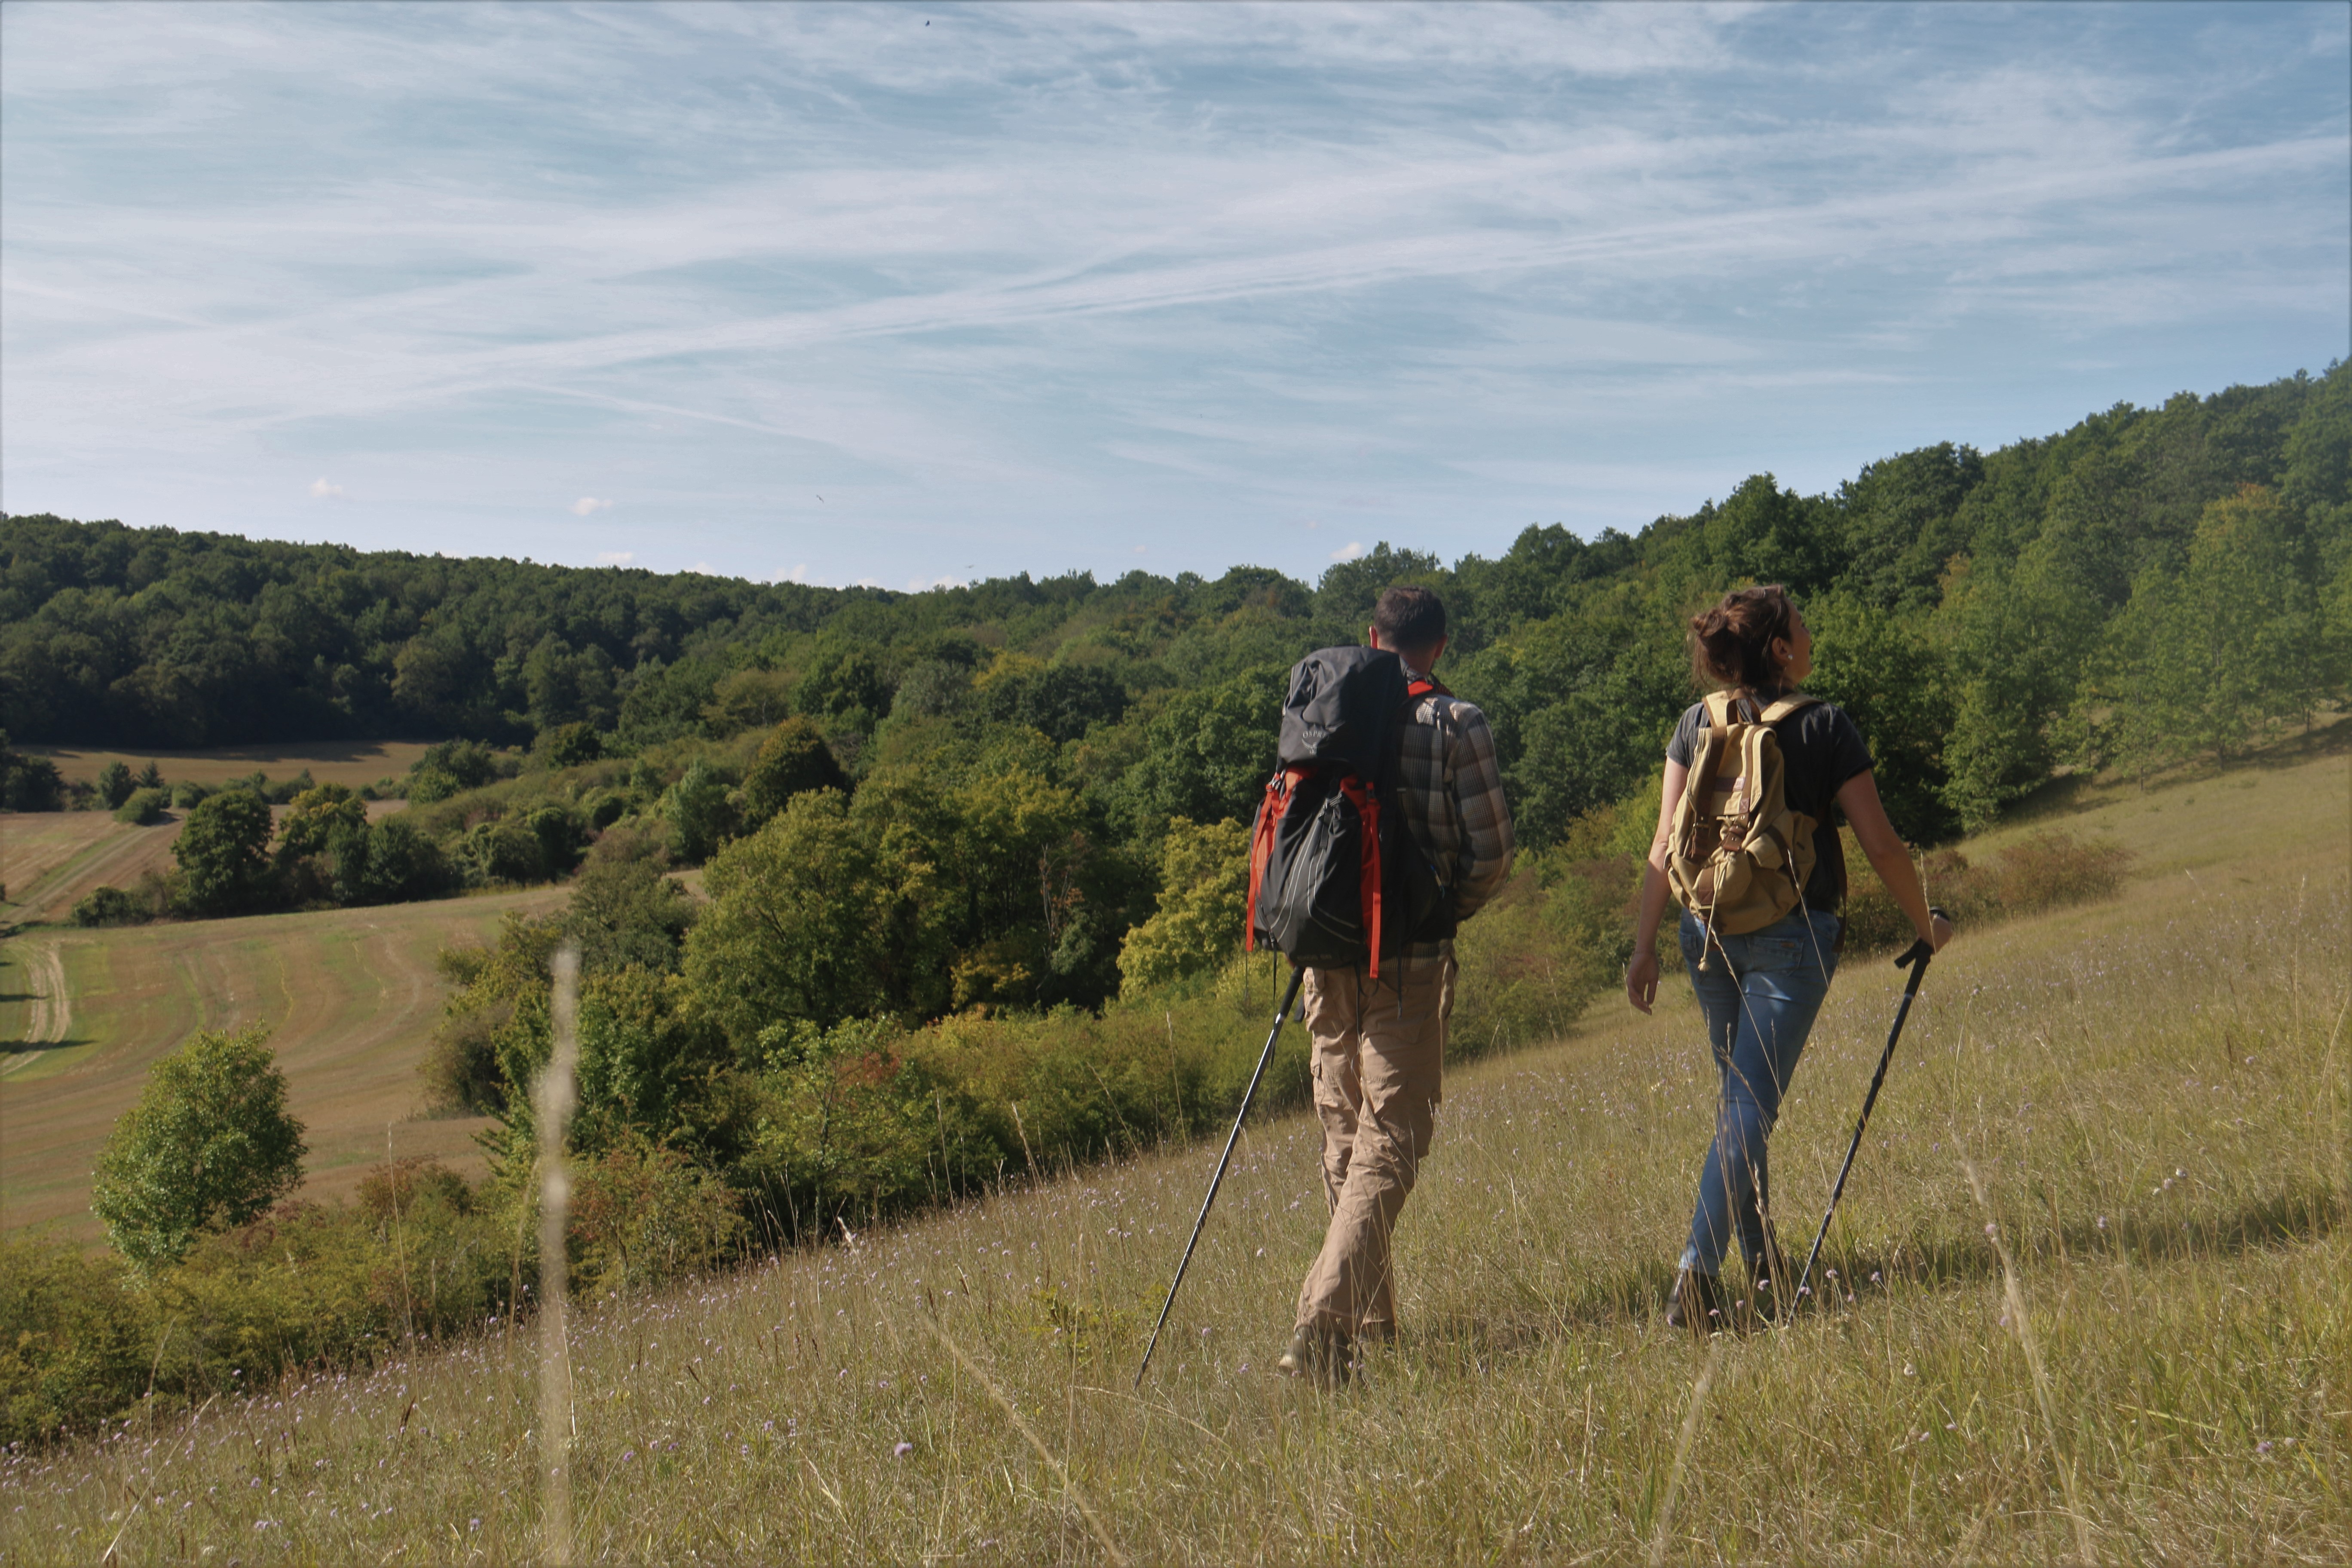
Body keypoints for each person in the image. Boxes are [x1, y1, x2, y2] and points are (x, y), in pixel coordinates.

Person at [1626, 585, 1953, 1333]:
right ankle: (1697, 1280)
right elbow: (1881, 846)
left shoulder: (1695, 723)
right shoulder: (1824, 724)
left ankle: (1762, 1260)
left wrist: (1644, 949)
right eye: (1801, 626)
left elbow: (1663, 843)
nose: (1809, 636)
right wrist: (1924, 924)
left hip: (1704, 929)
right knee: (1748, 1106)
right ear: (1778, 648)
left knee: (1738, 1101)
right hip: (1793, 935)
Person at [1278, 585, 1515, 1385]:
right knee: (1394, 1136)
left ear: (1371, 639)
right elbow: (1491, 852)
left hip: (1324, 956)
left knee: (1348, 1137)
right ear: (1440, 646)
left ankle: (1369, 1333)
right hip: (1408, 957)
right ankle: (1323, 1323)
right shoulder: (1456, 722)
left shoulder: (1324, 716)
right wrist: (1445, 910)